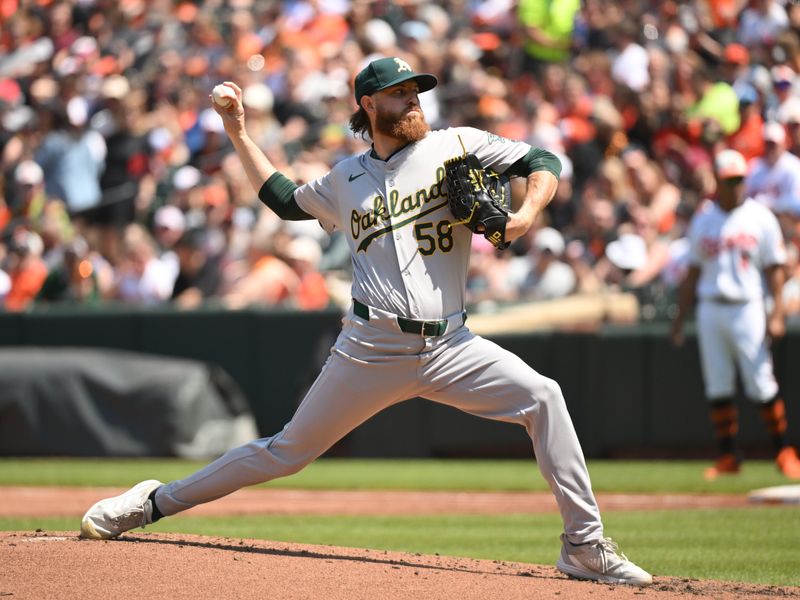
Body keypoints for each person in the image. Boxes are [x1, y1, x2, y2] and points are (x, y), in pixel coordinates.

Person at [79, 56, 652, 586]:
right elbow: (282, 199)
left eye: (415, 92)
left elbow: (541, 161)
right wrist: (239, 132)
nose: (413, 102)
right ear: (369, 105)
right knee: (286, 453)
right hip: (369, 347)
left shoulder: (457, 144)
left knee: (544, 397)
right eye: (399, 94)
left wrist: (525, 216)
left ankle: (583, 544)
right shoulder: (345, 179)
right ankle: (152, 502)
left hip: (452, 344)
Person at [670, 149, 800, 481]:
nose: (737, 186)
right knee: (718, 384)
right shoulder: (704, 218)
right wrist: (679, 318)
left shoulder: (760, 216)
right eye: (730, 180)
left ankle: (784, 451)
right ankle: (728, 455)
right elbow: (693, 274)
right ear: (717, 180)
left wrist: (776, 313)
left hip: (748, 306)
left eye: (740, 179)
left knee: (761, 381)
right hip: (711, 307)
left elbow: (775, 269)